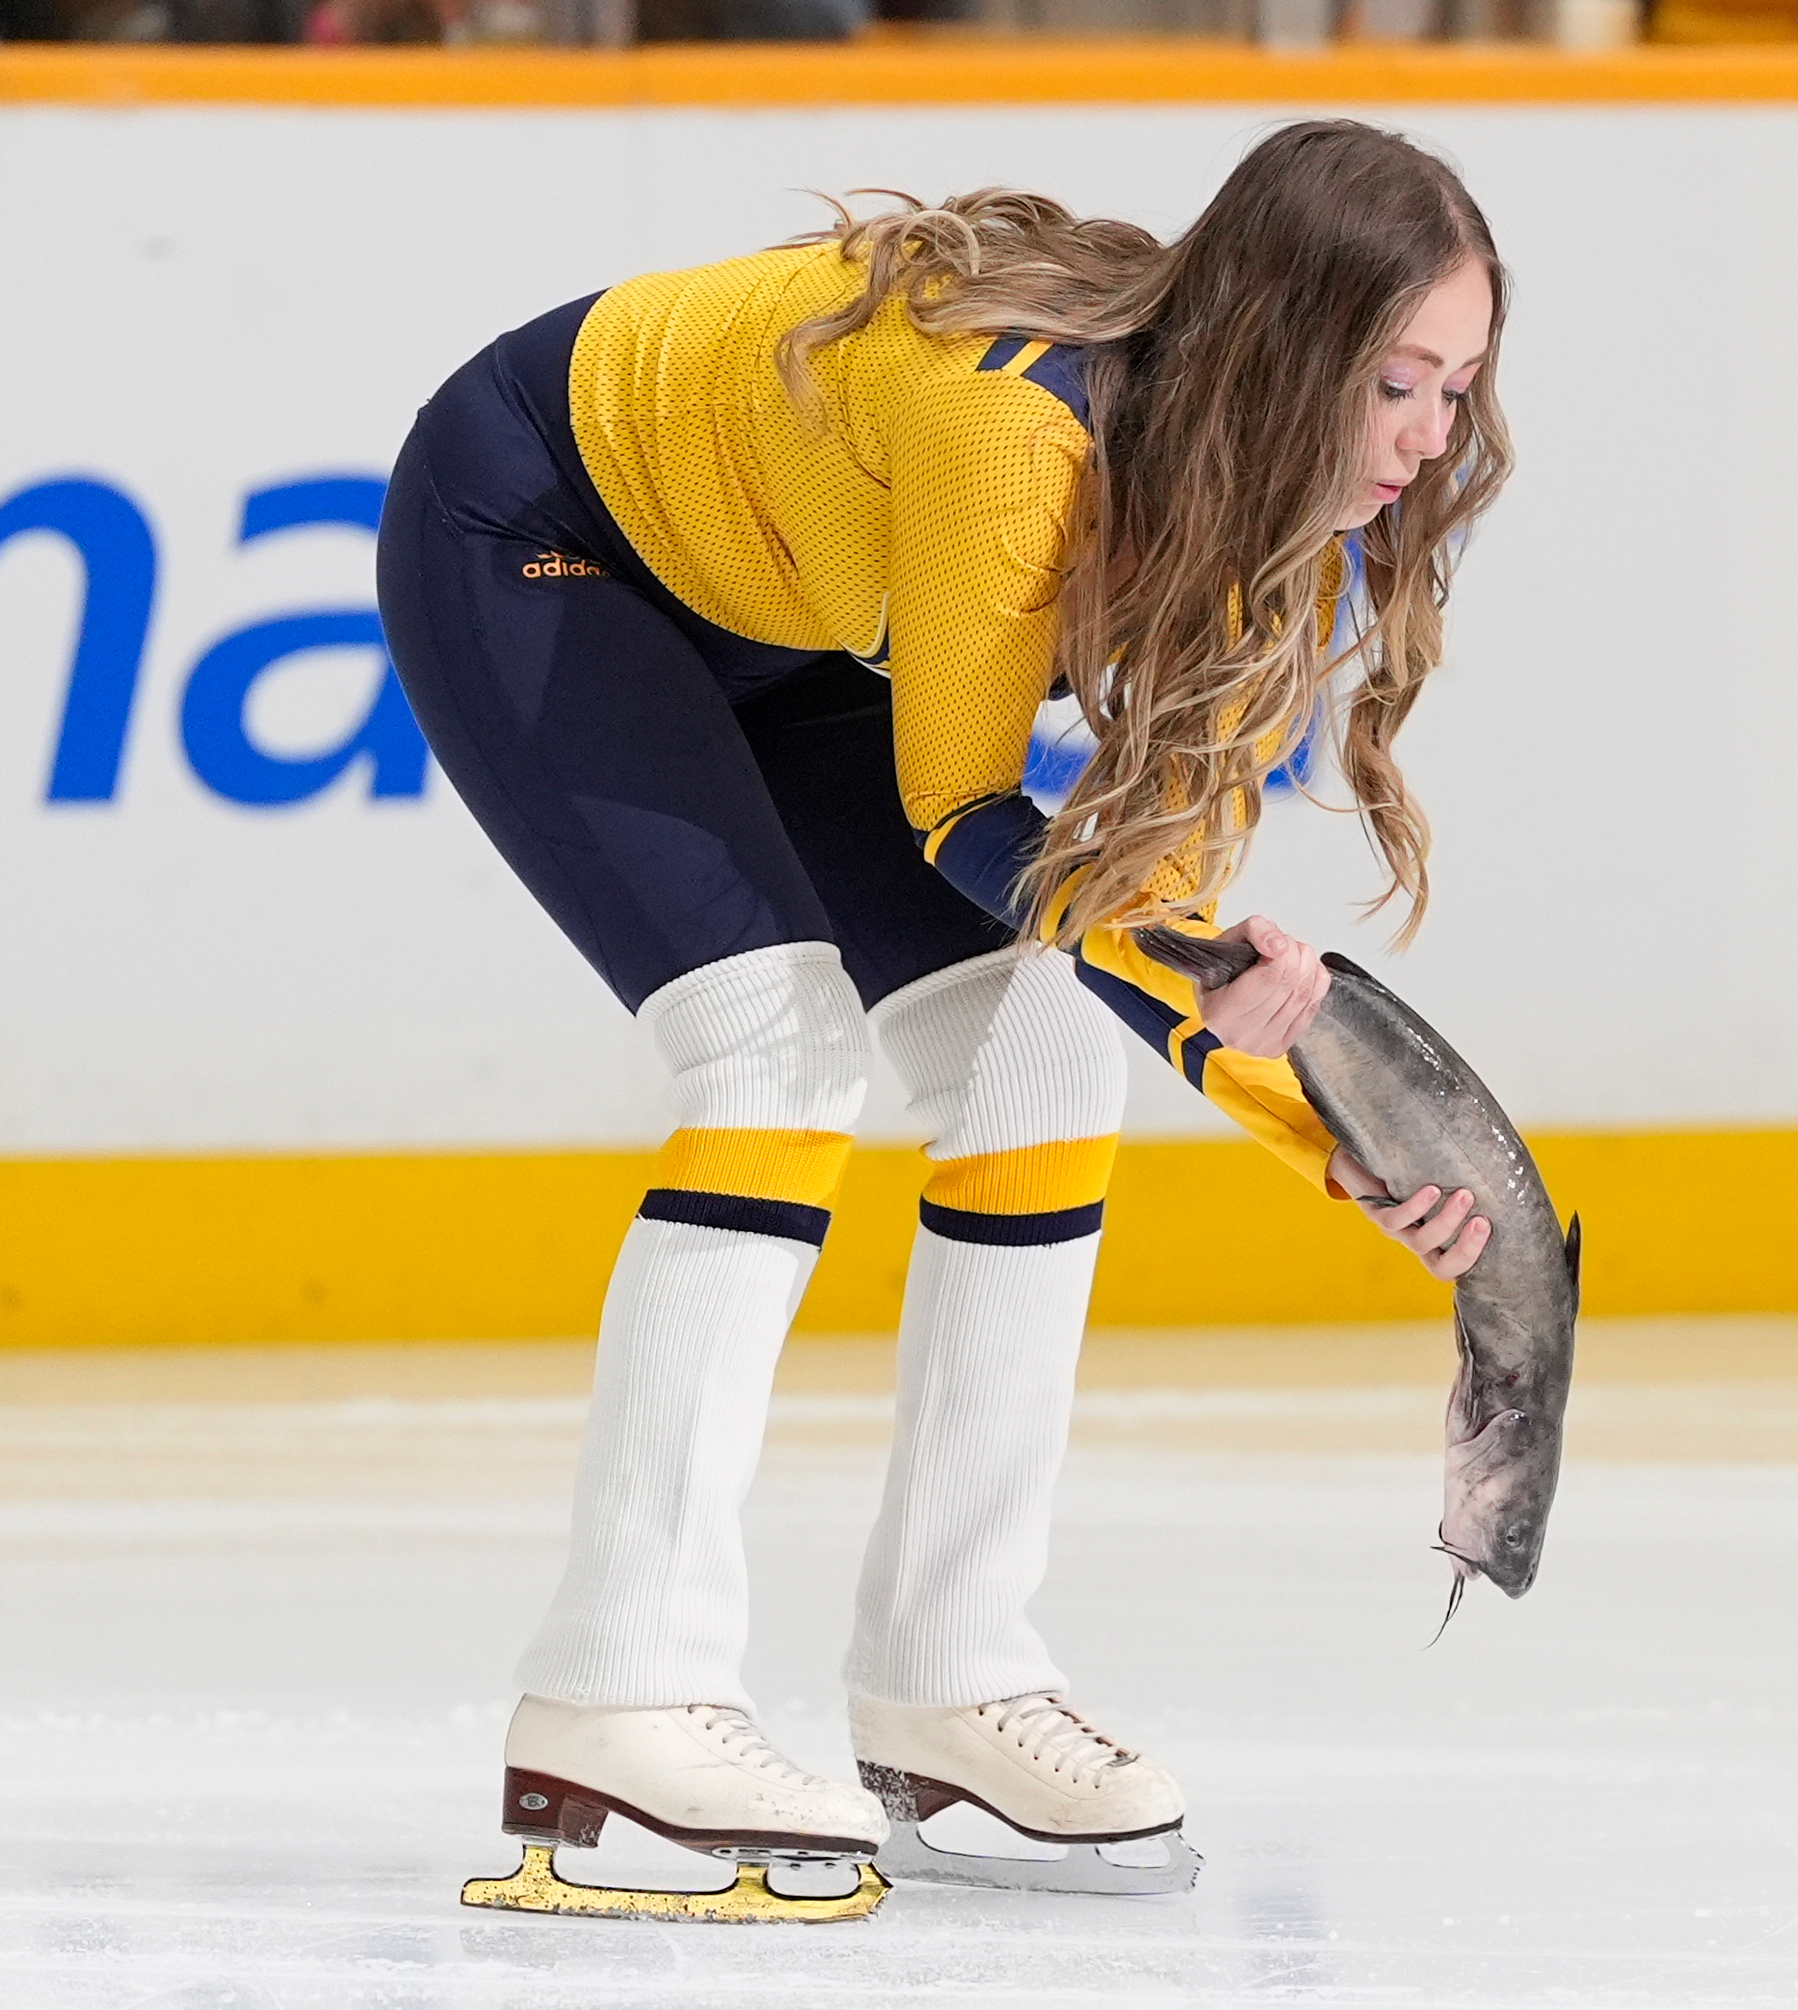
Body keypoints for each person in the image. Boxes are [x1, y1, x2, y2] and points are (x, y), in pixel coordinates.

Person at [376, 118, 1512, 1919]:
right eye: (1395, 382)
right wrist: (1231, 1024)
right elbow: (973, 824)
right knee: (778, 1046)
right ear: (1285, 351)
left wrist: (1330, 1136)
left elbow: (1141, 925)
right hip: (539, 530)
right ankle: (613, 1685)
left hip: (781, 615)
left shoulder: (1282, 504)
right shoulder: (1015, 432)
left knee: (1039, 1036)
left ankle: (951, 1666)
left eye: (1456, 386)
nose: (1431, 438)